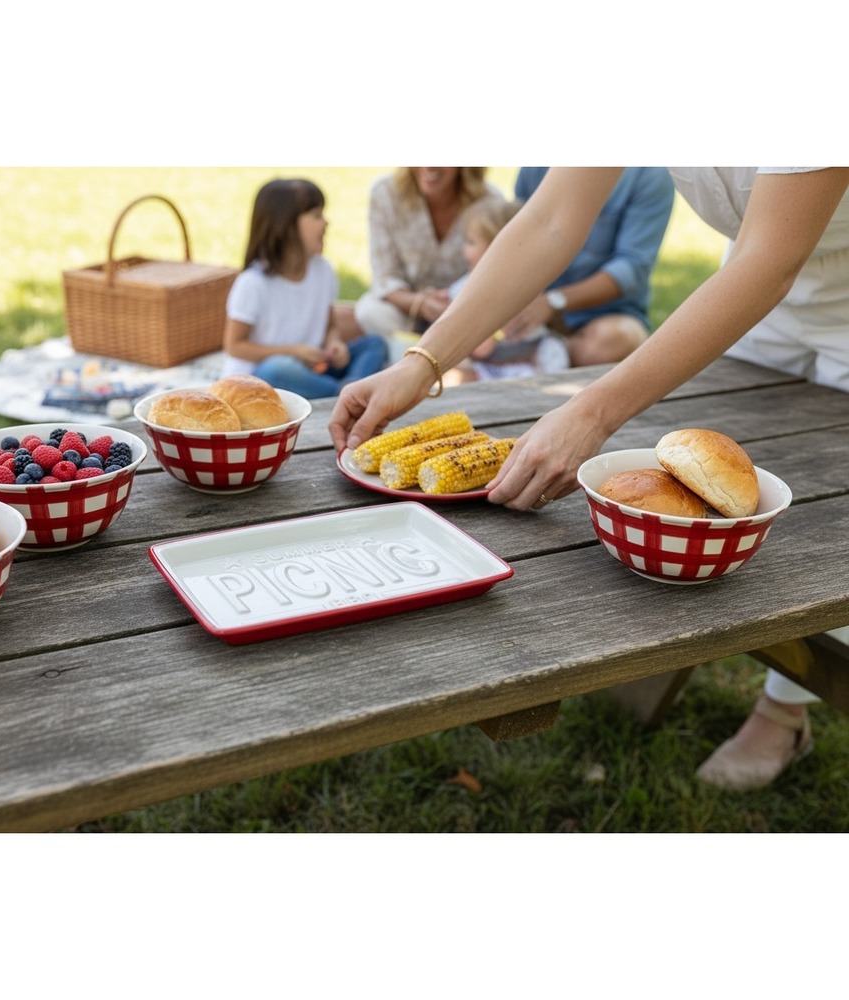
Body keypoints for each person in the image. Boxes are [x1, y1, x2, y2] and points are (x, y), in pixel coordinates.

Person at [330, 166, 849, 791]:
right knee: (732, 495)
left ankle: (783, 710)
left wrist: (590, 412)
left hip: (771, 275)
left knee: (835, 519)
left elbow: (772, 258)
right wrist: (422, 362)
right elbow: (551, 218)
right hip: (760, 303)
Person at [222, 177, 388, 399]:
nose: (326, 223)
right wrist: (293, 351)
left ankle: (346, 390)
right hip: (259, 380)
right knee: (277, 368)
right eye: (317, 215)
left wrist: (334, 343)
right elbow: (235, 346)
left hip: (313, 370)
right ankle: (346, 395)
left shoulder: (323, 270)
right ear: (286, 226)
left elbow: (330, 325)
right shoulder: (253, 283)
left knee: (374, 344)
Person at [503, 167, 675, 367]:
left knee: (610, 342)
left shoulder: (650, 174)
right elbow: (519, 235)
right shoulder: (536, 167)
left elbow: (632, 269)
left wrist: (553, 301)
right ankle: (546, 357)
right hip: (536, 305)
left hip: (608, 313)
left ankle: (548, 355)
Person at [350, 167, 506, 360]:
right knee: (369, 310)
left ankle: (429, 360)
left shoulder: (490, 201)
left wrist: (457, 309)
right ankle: (430, 360)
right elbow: (385, 277)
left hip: (466, 310)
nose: (430, 166)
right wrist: (421, 304)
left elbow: (500, 271)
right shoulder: (385, 193)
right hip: (408, 311)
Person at [443, 198, 570, 385]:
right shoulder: (464, 288)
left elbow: (536, 327)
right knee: (454, 374)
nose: (464, 250)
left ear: (496, 249)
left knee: (555, 351)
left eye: (470, 242)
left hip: (527, 359)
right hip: (485, 367)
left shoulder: (529, 284)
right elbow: (477, 347)